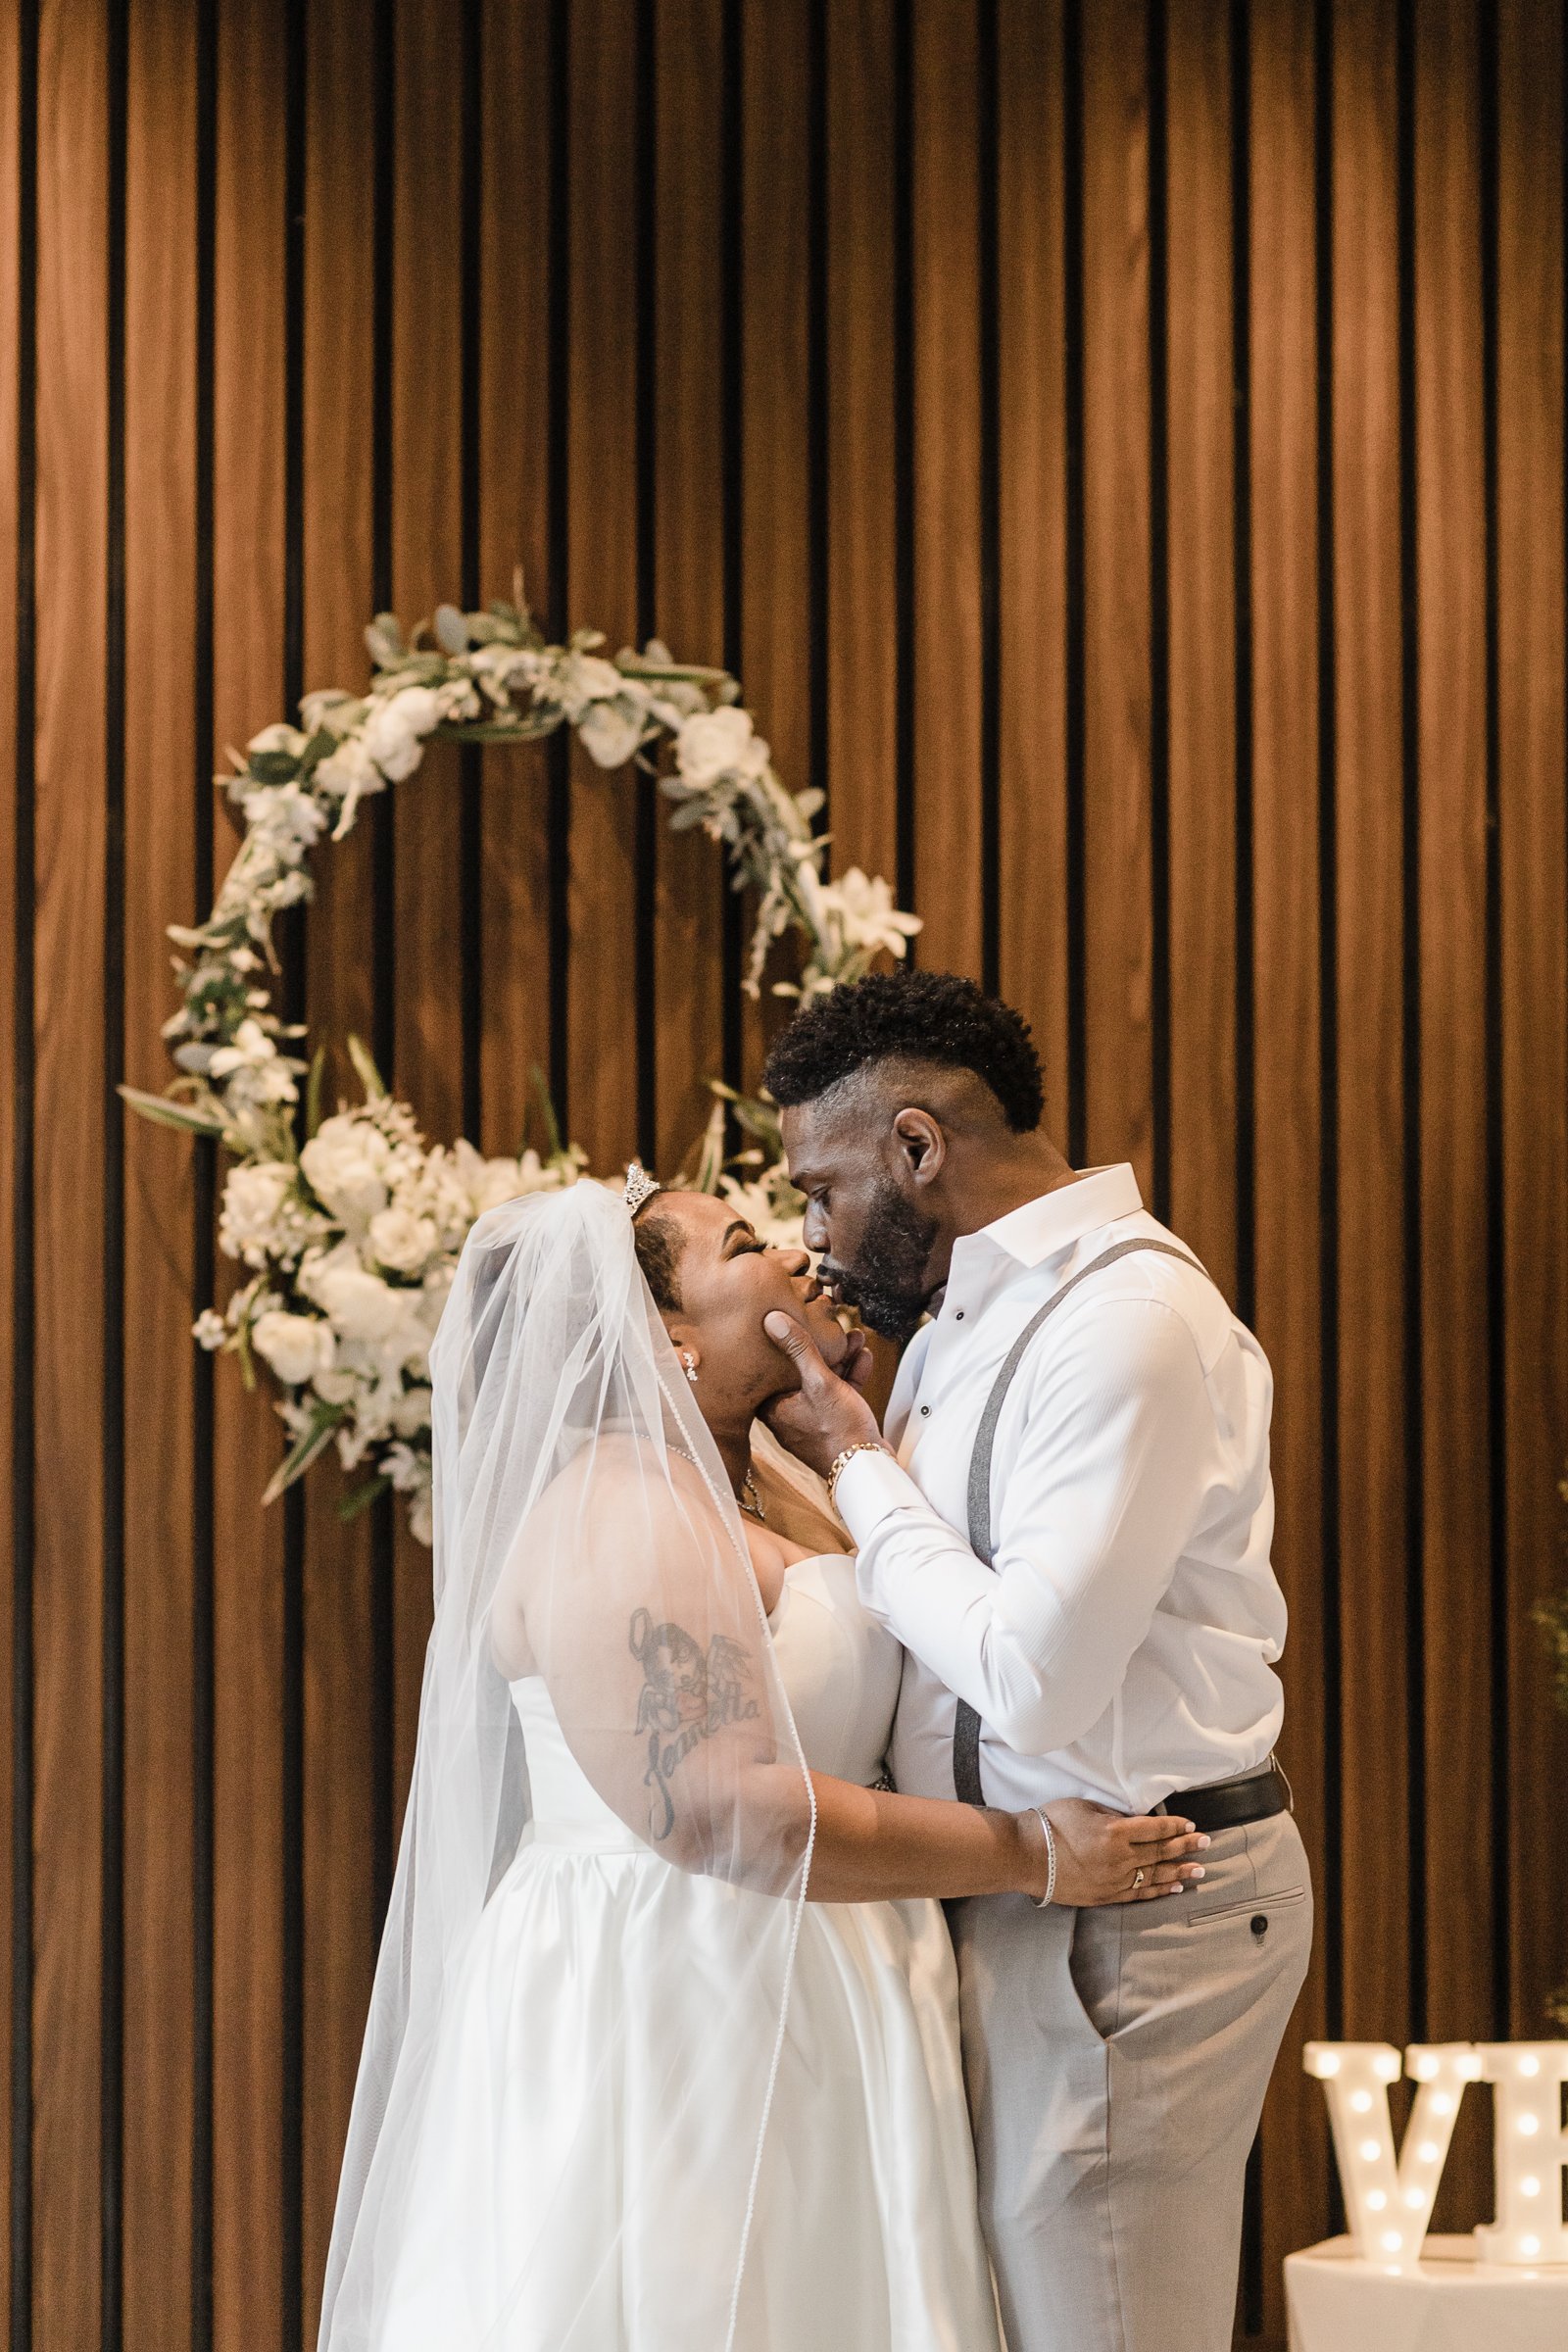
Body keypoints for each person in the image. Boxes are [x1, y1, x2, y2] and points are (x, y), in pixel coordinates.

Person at [318, 1174, 1204, 2352]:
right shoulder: (618, 1512)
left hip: (833, 1966)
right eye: (739, 1245)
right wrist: (1032, 1853)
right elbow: (726, 1814)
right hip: (683, 1988)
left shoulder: (776, 1482)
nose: (792, 1254)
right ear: (664, 1337)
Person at [758, 967, 1312, 2352]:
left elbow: (1035, 1676)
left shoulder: (1125, 1324)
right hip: (1019, 1892)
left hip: (1135, 1915)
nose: (811, 1237)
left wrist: (860, 1468)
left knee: (1103, 2325)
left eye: (823, 1188)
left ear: (919, 1150)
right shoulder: (962, 1312)